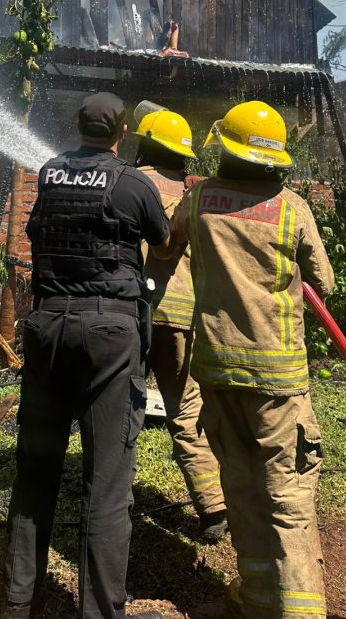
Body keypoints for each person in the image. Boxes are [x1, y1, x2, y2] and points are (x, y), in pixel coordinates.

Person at [160, 101, 335, 619]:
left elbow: (167, 247)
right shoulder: (291, 208)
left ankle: (258, 600)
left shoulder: (195, 202)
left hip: (216, 372)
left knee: (239, 484)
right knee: (287, 495)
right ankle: (299, 612)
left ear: (225, 146)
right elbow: (323, 283)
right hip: (277, 380)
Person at [3, 92, 169, 619]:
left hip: (47, 327)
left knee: (36, 469)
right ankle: (100, 611)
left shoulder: (49, 174)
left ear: (77, 126)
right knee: (107, 484)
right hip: (109, 335)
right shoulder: (133, 182)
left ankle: (17, 599)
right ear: (123, 133)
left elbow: (36, 232)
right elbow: (163, 241)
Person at [133, 102, 227, 541]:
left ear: (146, 145)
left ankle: (116, 501)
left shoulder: (131, 184)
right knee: (186, 410)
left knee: (123, 408)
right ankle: (213, 509)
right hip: (184, 316)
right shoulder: (196, 195)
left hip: (135, 313)